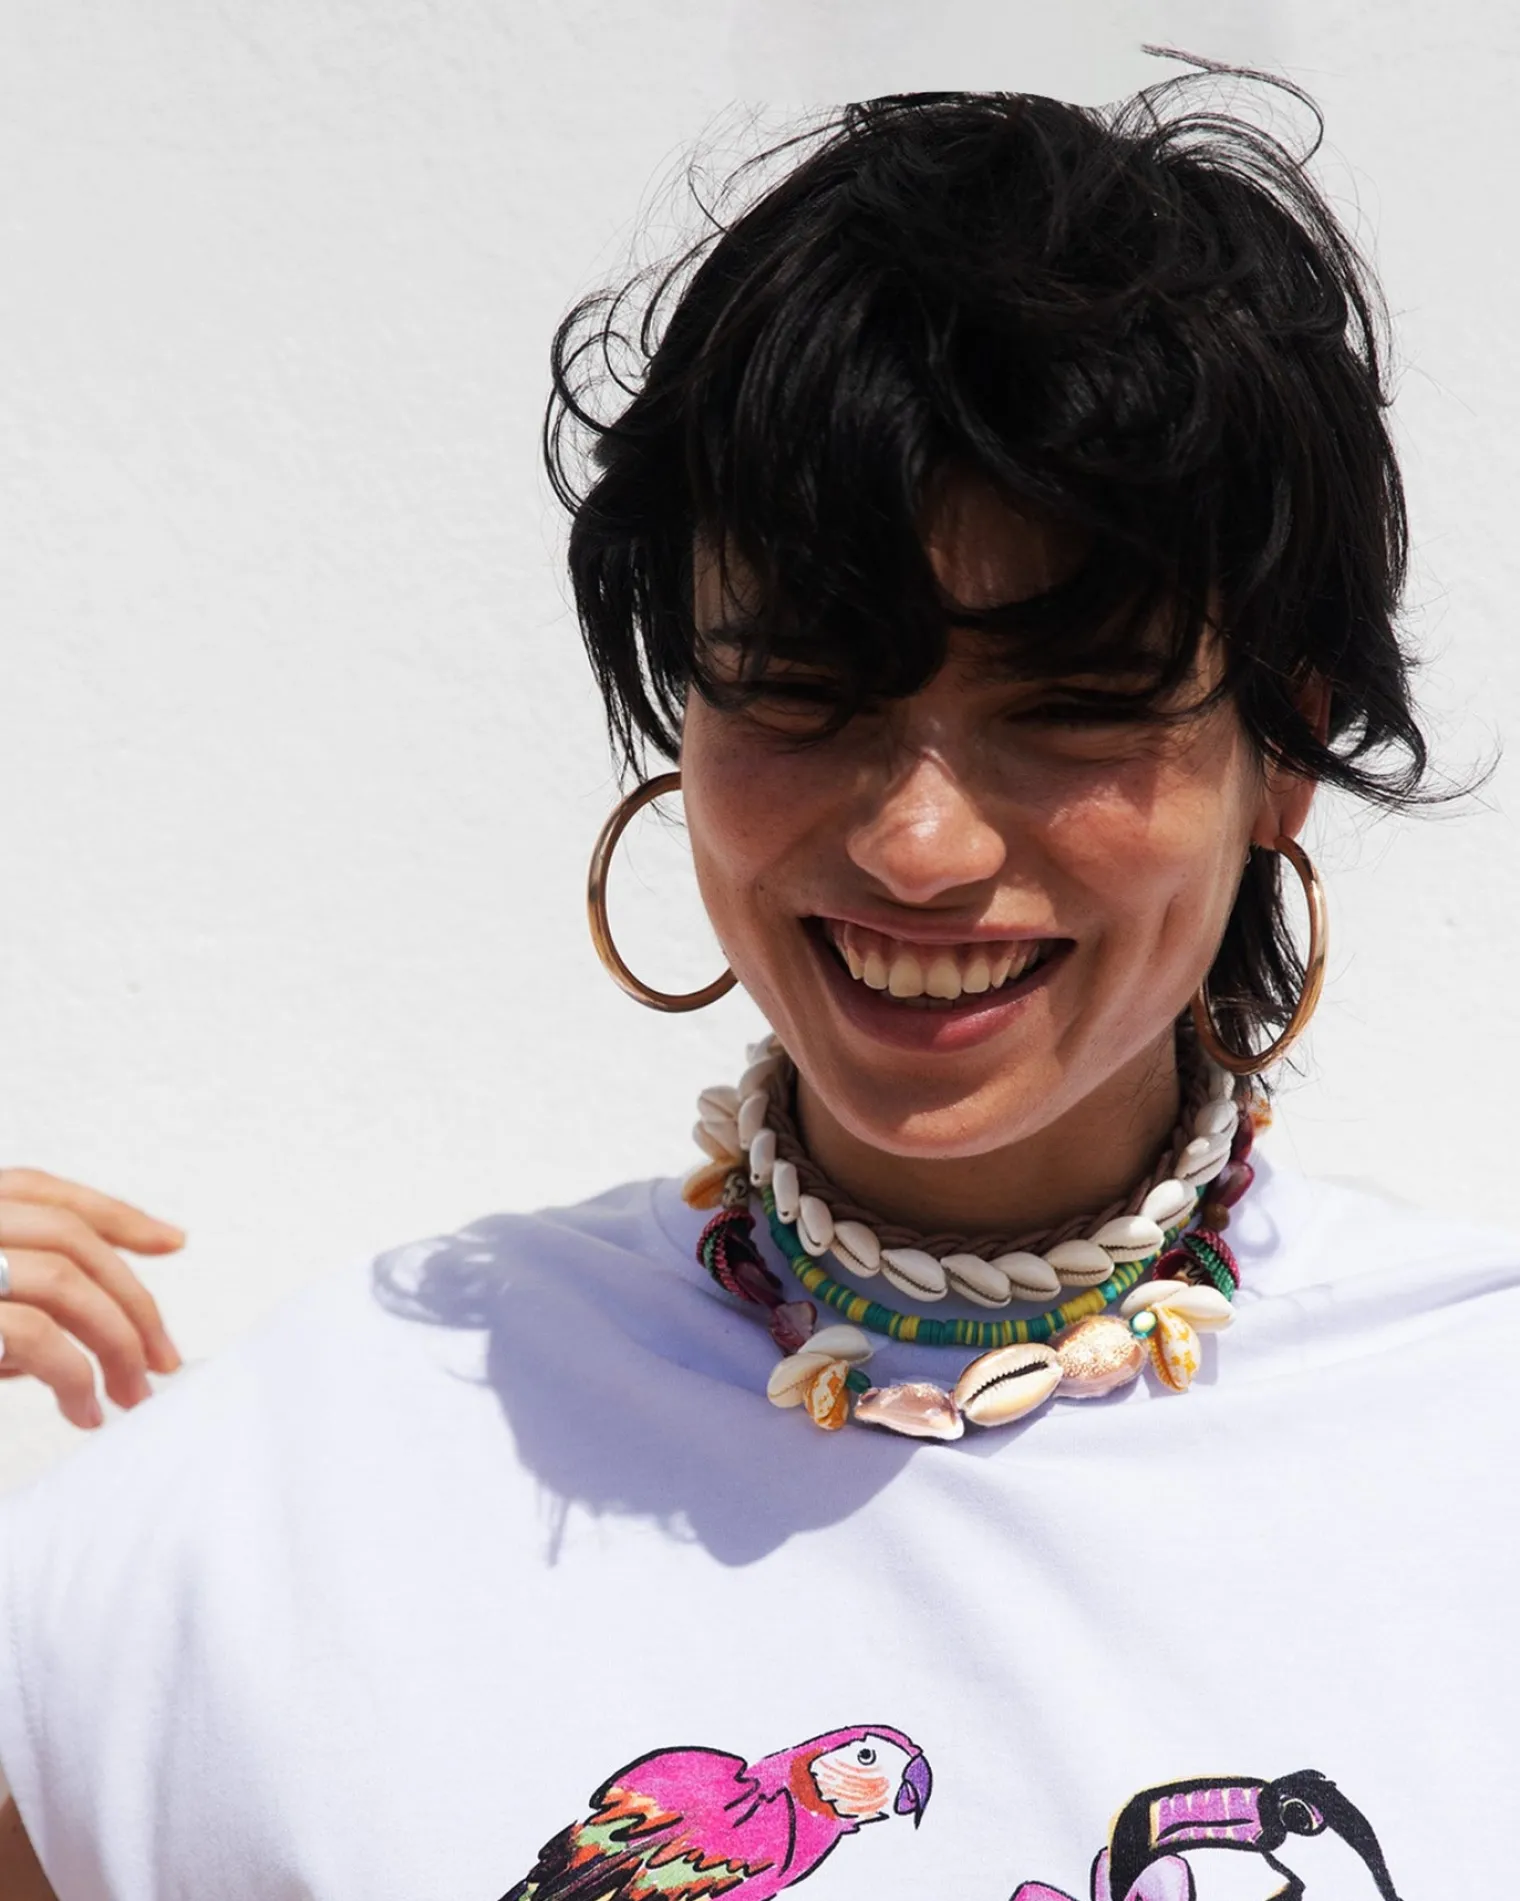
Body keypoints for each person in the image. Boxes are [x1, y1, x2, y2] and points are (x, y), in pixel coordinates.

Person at [2, 70, 1516, 1901]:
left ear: (1283, 747)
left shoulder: (1475, 1441)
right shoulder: (277, 1511)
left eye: (1072, 708)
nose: (921, 844)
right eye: (807, 686)